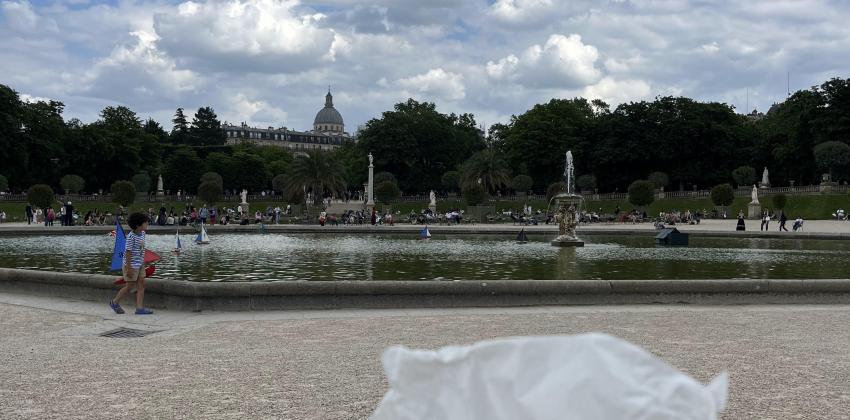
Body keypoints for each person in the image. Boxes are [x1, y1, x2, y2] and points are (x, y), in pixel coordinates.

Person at [109, 212, 153, 315]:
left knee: (141, 284)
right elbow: (128, 253)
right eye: (145, 223)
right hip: (131, 265)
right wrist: (129, 268)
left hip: (140, 264)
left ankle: (139, 308)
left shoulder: (142, 233)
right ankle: (114, 302)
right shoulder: (131, 237)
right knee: (129, 286)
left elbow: (140, 249)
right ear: (138, 225)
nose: (147, 224)